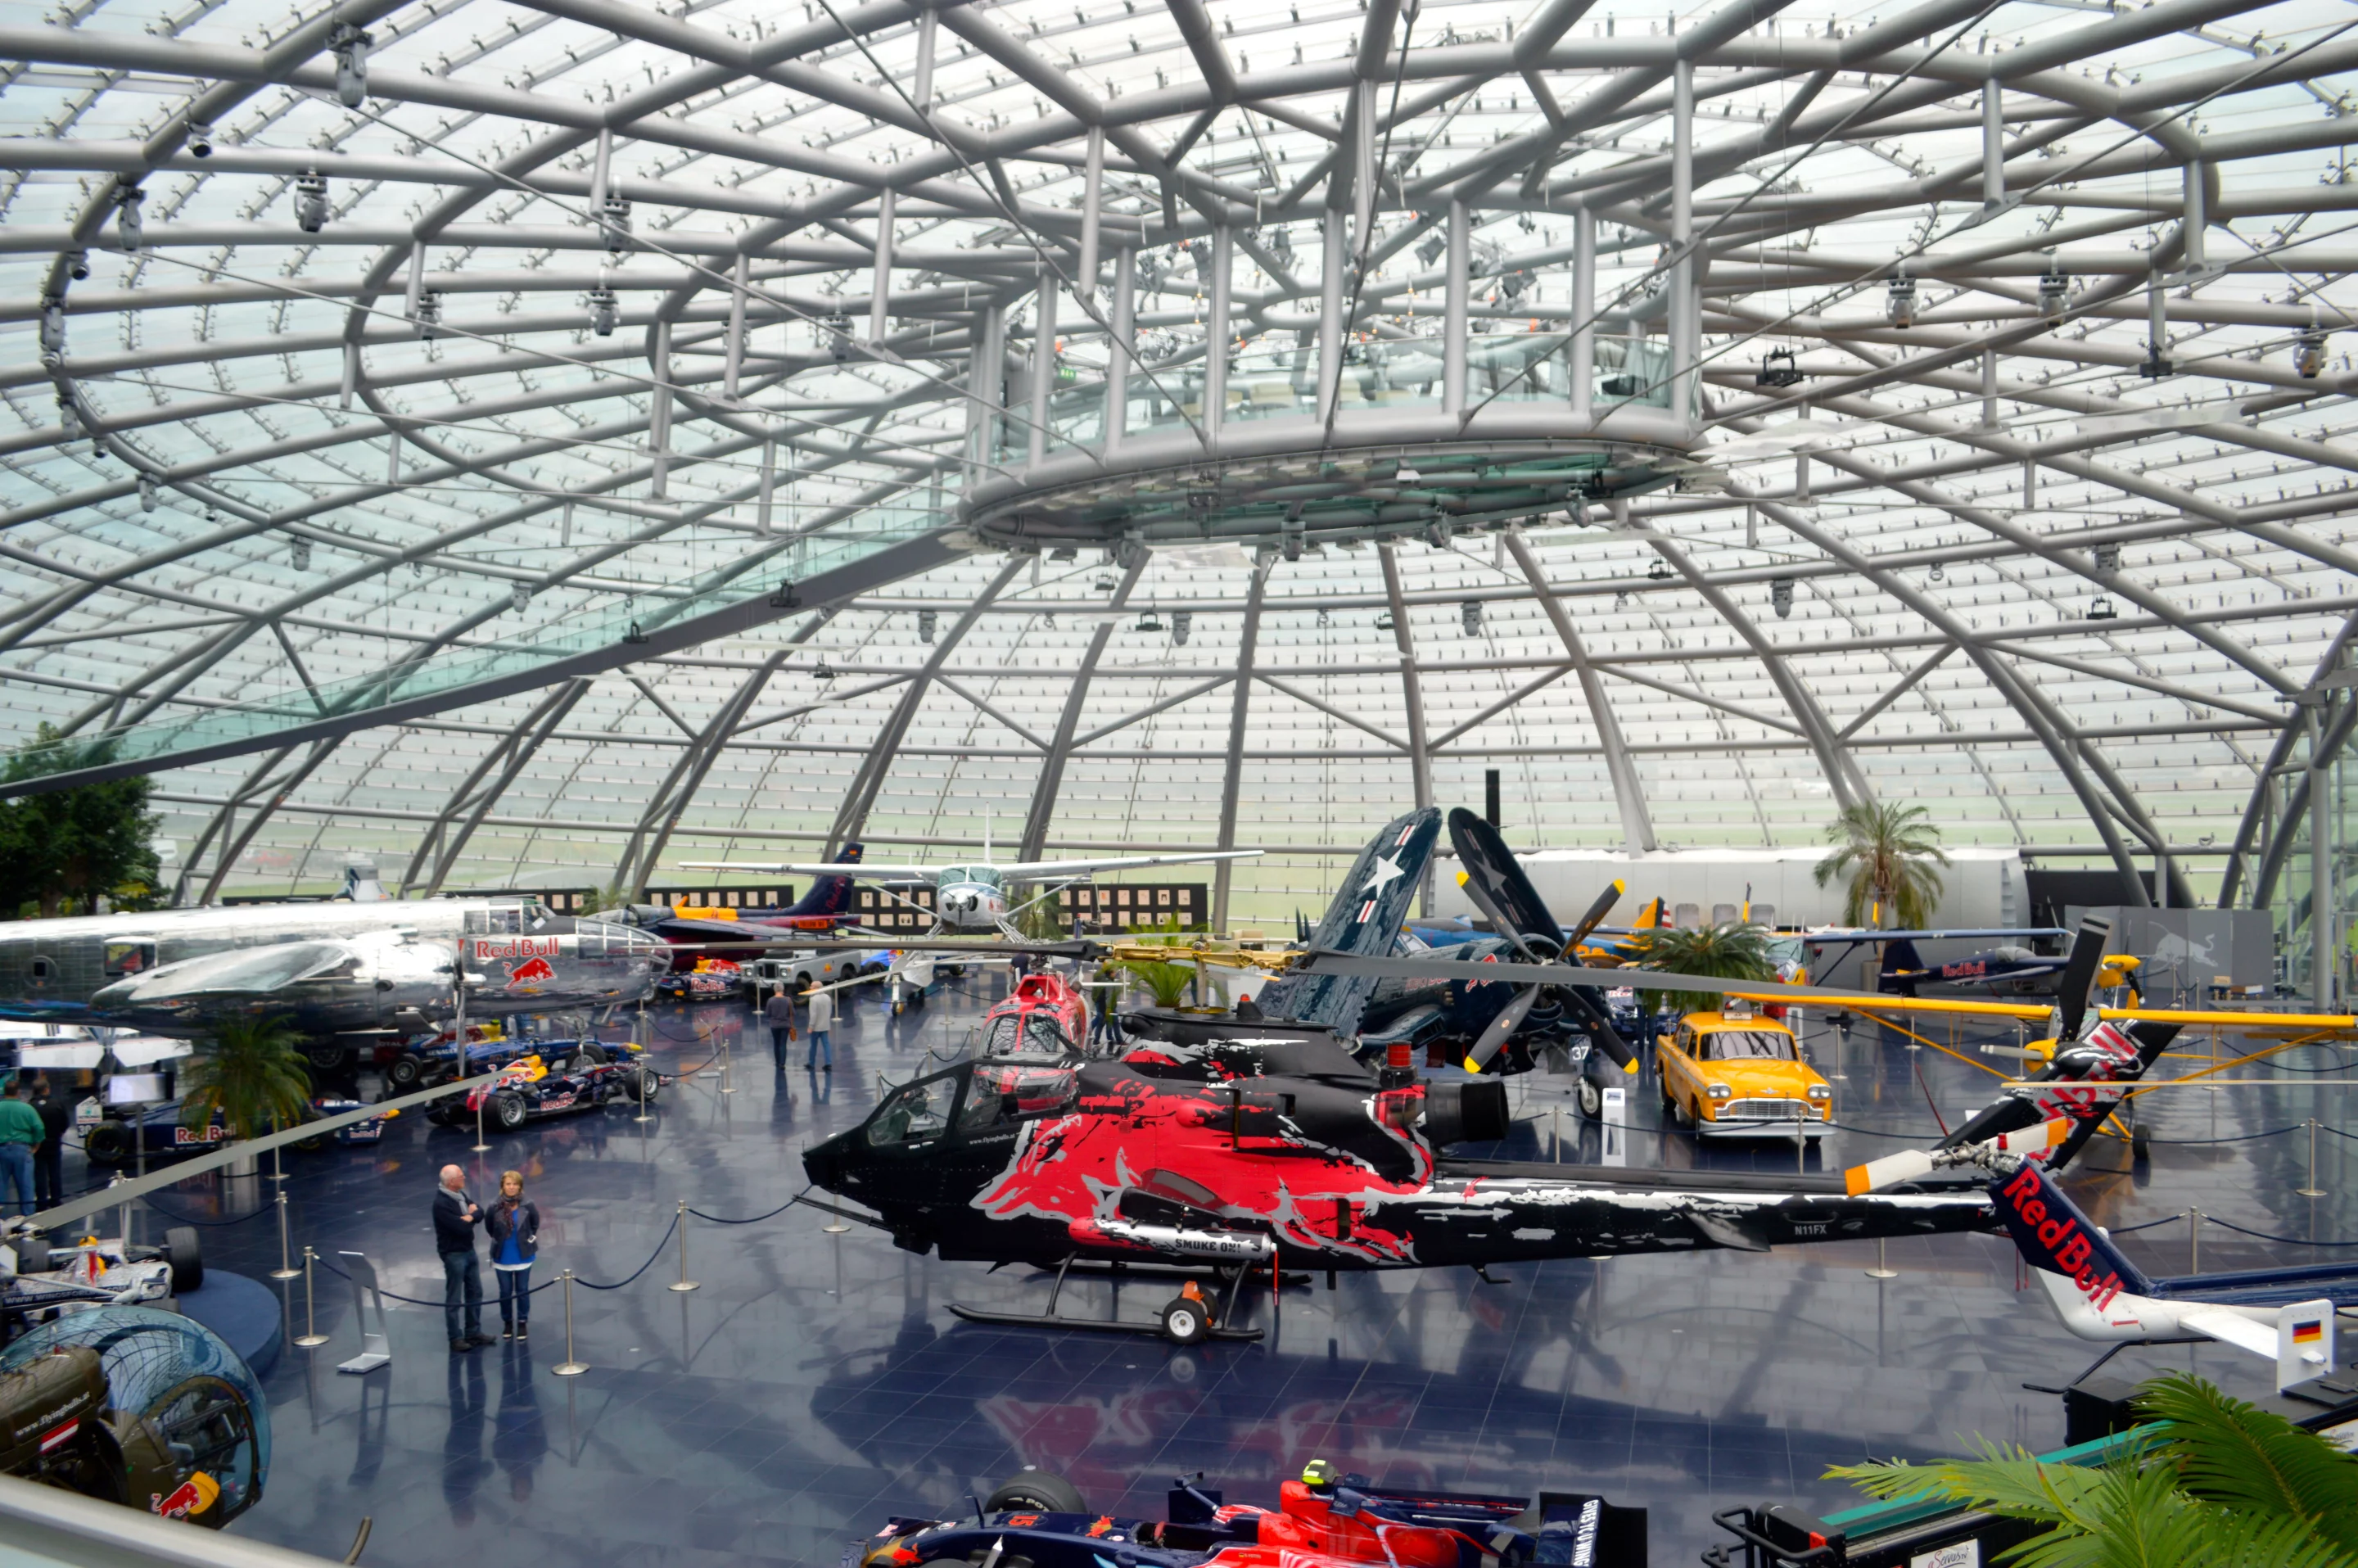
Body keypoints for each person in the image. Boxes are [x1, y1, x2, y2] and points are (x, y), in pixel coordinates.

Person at [433, 1164, 493, 1352]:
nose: (464, 1177)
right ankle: (455, 1337)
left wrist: (470, 1216)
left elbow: (480, 1212)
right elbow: (461, 1228)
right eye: (461, 1176)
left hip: (469, 1250)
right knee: (454, 1298)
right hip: (454, 1254)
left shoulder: (460, 1195)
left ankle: (473, 1332)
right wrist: (471, 1215)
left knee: (475, 1291)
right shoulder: (442, 1204)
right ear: (452, 1182)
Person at [484, 1168, 540, 1342]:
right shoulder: (494, 1206)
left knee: (522, 1290)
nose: (512, 1187)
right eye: (508, 1184)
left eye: (515, 1184)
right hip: (502, 1255)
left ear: (520, 1186)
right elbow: (489, 1227)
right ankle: (507, 1321)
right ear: (503, 1186)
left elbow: (535, 1223)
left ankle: (522, 1321)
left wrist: (526, 1239)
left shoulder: (528, 1204)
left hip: (522, 1254)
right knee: (505, 1291)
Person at [0, 1078, 41, 1218]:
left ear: (4, 1092)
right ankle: (28, 1219)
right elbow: (39, 1128)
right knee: (26, 1187)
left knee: (0, 1188)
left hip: (1, 1151)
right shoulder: (27, 1108)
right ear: (18, 1093)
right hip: (22, 1150)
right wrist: (36, 1146)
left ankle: (1, 1221)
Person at [28, 1077, 68, 1210]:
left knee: (39, 1174)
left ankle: (41, 1202)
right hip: (54, 1143)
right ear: (46, 1089)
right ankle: (56, 1200)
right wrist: (59, 1133)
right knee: (55, 1173)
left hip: (37, 1146)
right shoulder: (57, 1103)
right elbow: (65, 1122)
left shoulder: (30, 1106)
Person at [803, 980, 833, 1071]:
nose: (810, 988)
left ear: (816, 988)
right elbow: (829, 1012)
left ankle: (811, 1063)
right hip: (825, 1026)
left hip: (816, 1027)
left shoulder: (813, 999)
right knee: (826, 1045)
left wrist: (810, 1027)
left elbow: (813, 1015)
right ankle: (828, 1063)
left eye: (812, 986)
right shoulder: (827, 997)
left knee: (813, 1046)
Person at [763, 985, 795, 1069]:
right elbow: (793, 1013)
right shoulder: (788, 1000)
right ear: (783, 990)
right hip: (785, 1025)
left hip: (774, 1025)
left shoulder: (770, 1000)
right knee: (783, 1044)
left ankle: (777, 1062)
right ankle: (782, 1063)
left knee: (776, 1043)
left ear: (774, 990)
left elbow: (768, 1014)